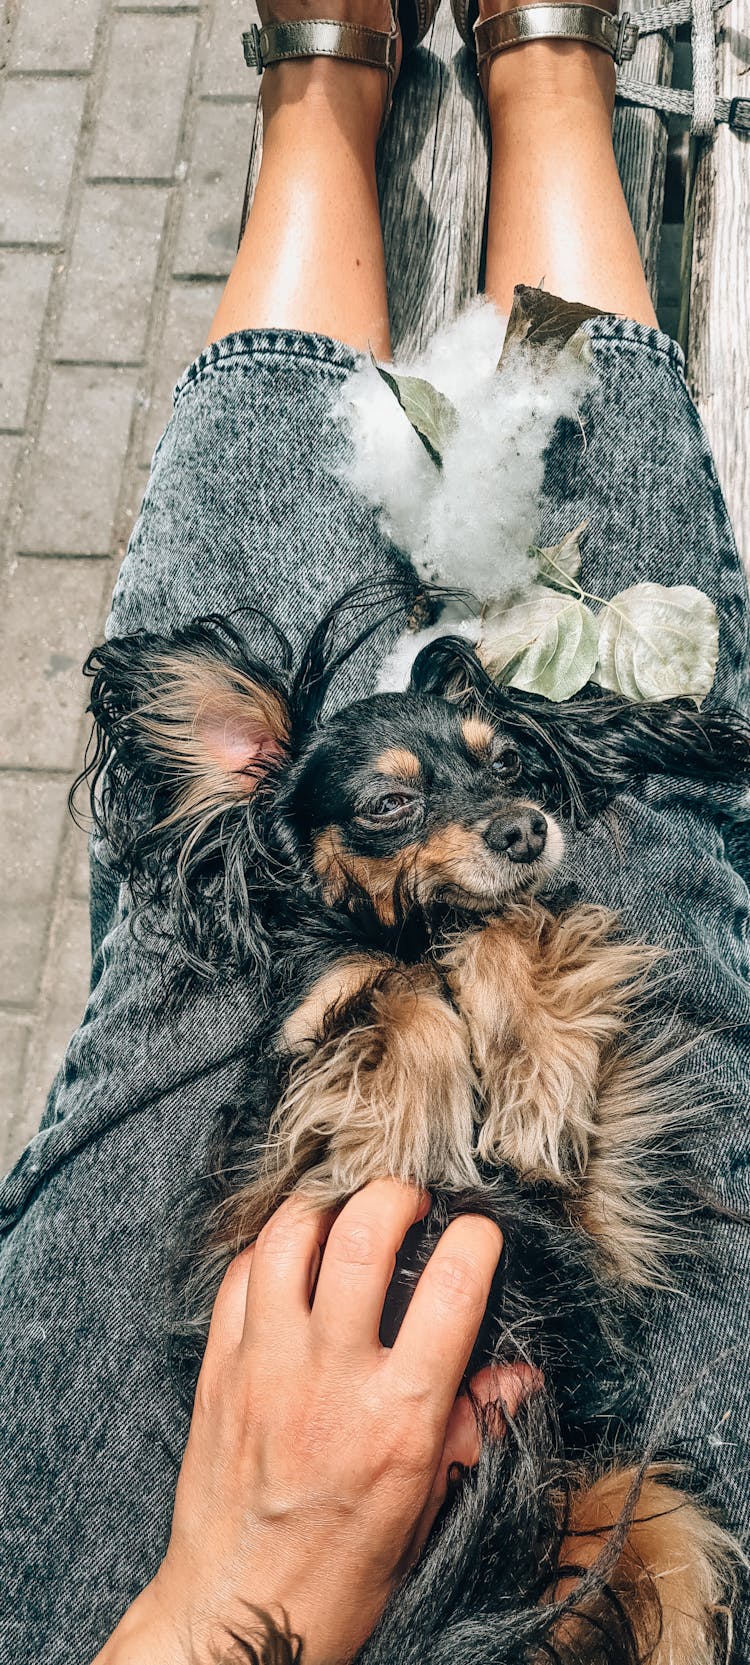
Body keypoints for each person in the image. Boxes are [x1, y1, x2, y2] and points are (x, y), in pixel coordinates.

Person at [1, 0, 749, 1658]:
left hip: (140, 1598)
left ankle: (323, 99)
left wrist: (223, 1601)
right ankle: (549, 77)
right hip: (597, 1489)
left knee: (183, 987)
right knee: (656, 811)